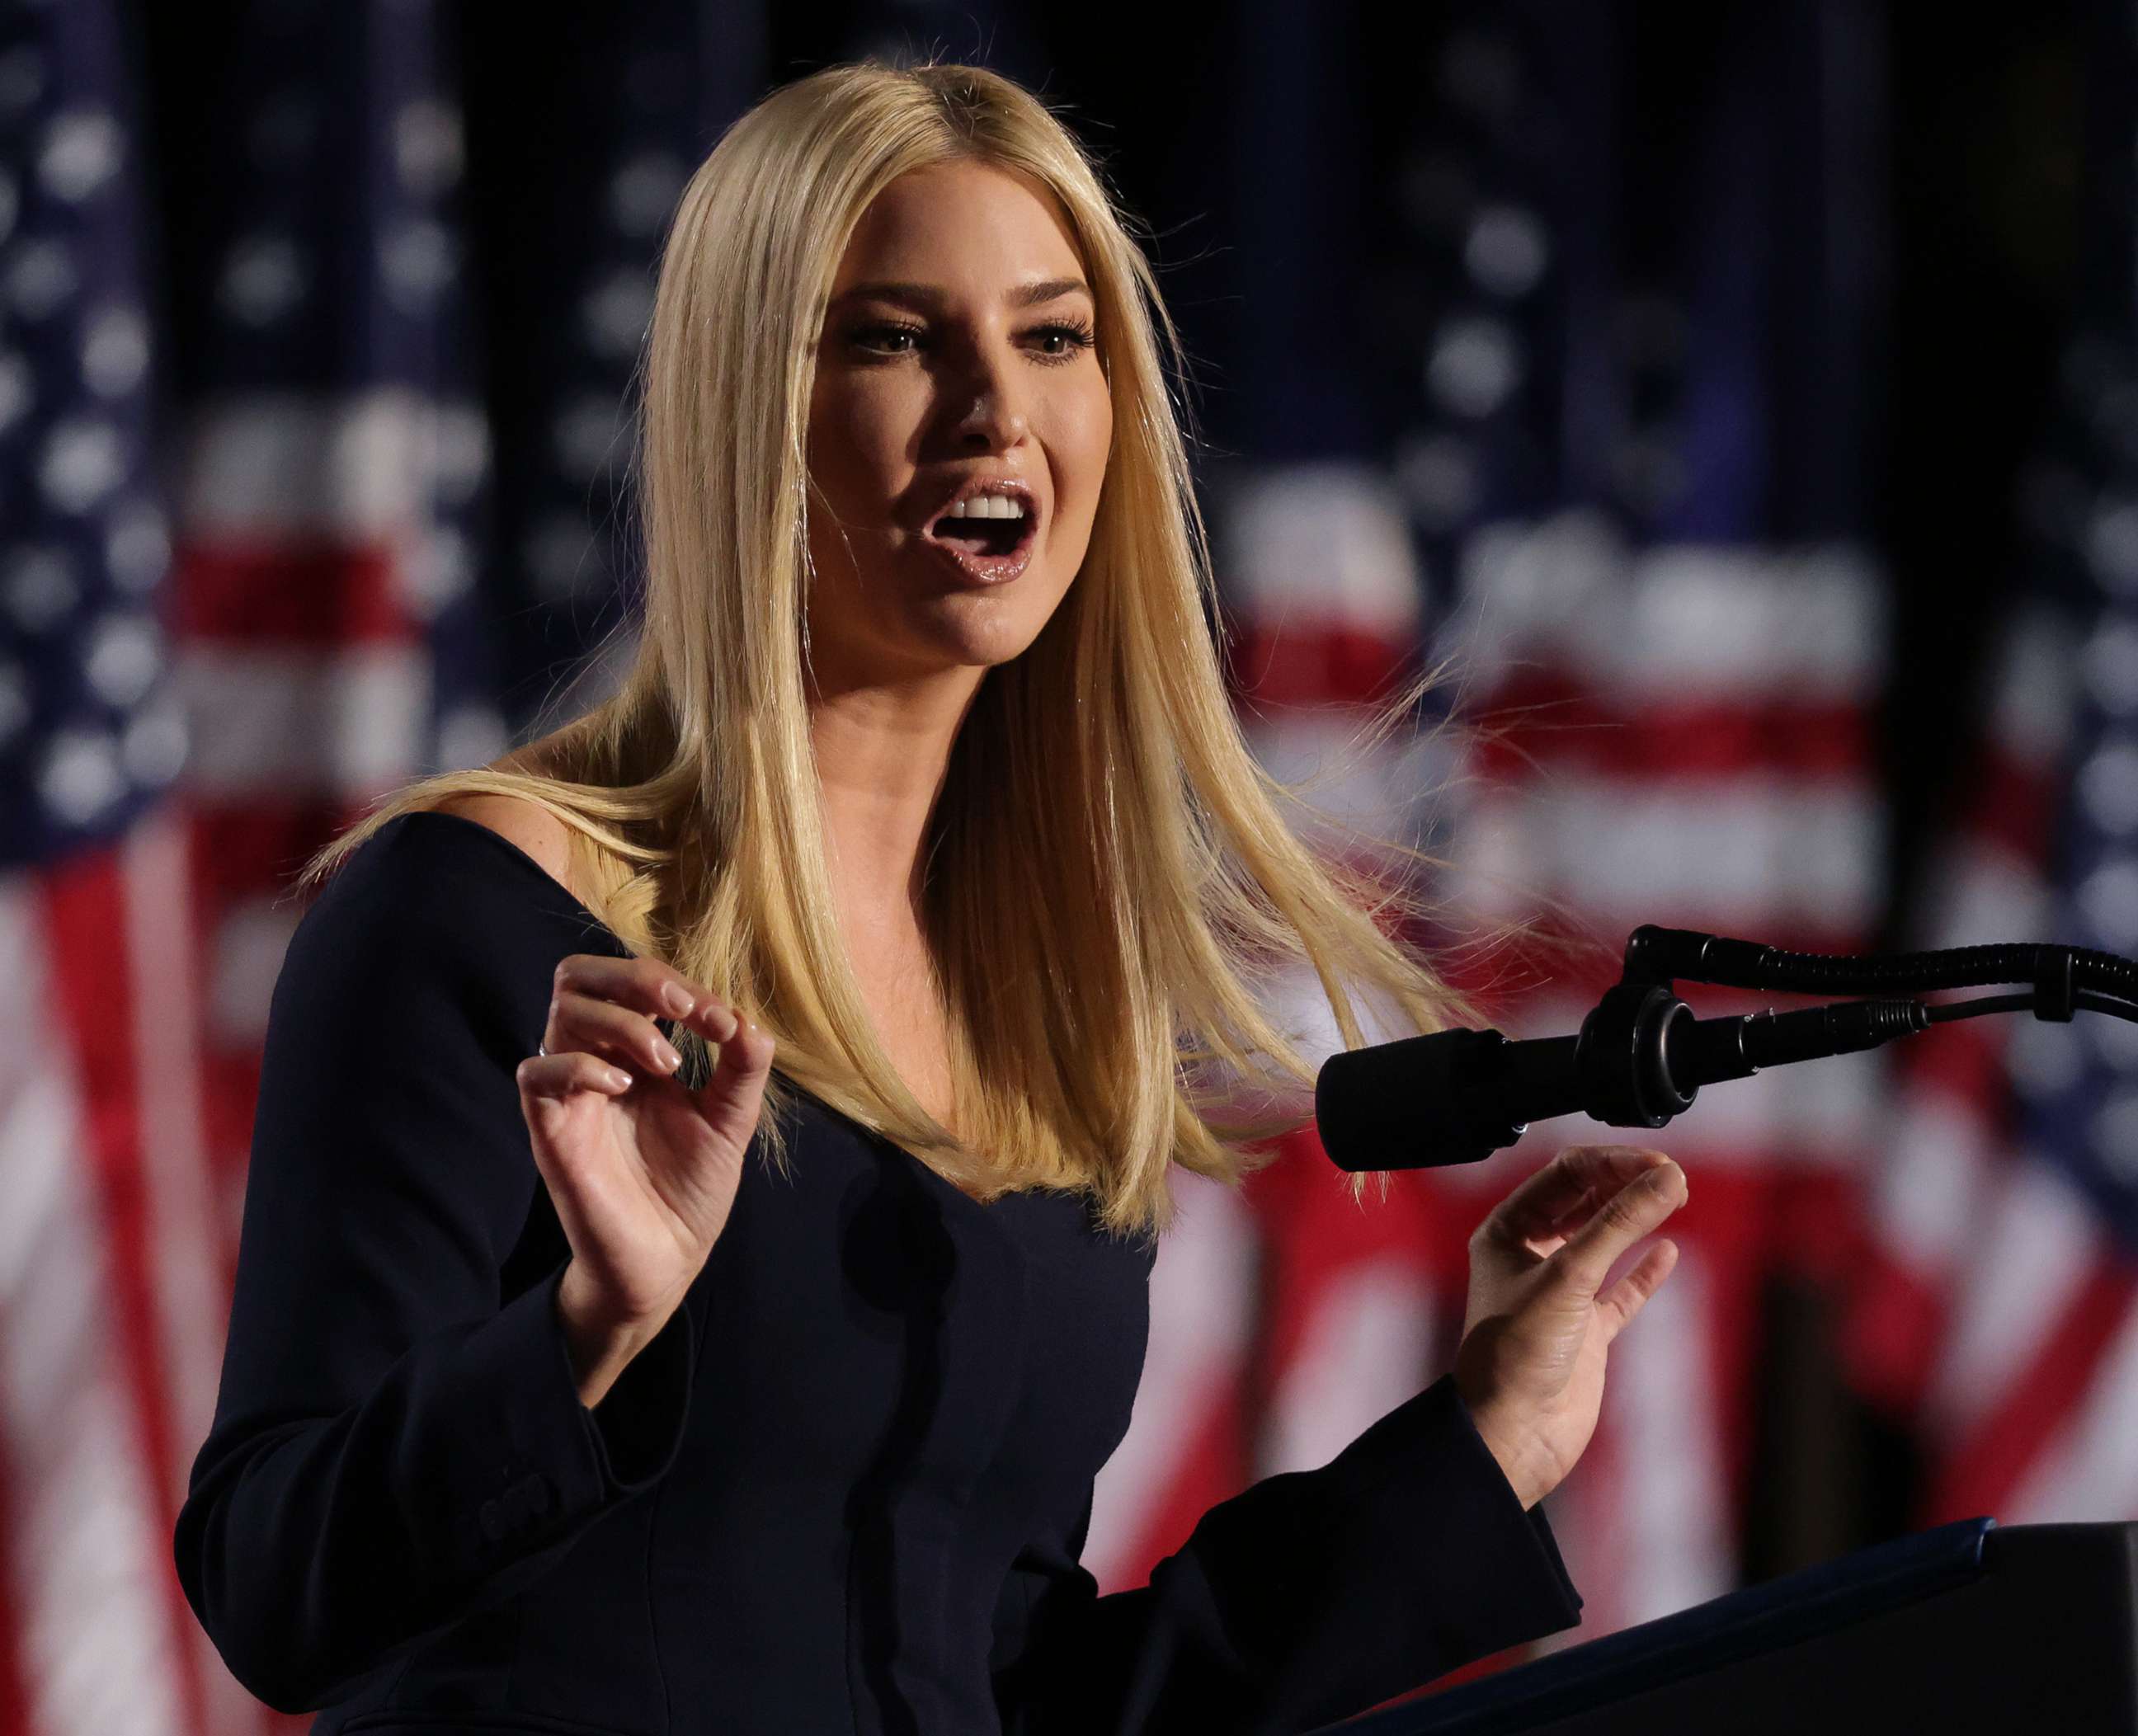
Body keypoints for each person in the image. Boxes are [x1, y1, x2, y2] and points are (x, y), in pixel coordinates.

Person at [172, 57, 1688, 1736]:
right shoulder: (481, 915)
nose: (998, 410)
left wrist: (1482, 1445)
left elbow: (1004, 1698)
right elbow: (270, 1584)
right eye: (896, 339)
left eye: (1052, 337)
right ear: (753, 405)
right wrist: (589, 1327)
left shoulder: (1046, 997)